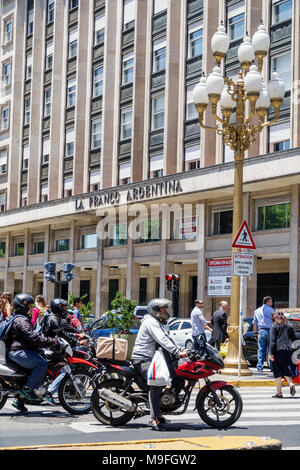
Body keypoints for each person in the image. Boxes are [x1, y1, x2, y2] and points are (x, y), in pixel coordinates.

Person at [131, 298, 188, 431]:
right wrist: (177, 352)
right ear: (155, 311)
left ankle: (159, 411)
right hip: (142, 359)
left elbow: (167, 338)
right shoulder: (150, 322)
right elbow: (162, 340)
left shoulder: (157, 322)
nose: (166, 312)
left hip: (151, 358)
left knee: (175, 375)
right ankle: (152, 418)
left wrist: (180, 350)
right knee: (157, 382)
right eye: (163, 309)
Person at [6, 294, 58, 412]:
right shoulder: (22, 320)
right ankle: (28, 389)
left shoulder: (18, 318)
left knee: (30, 371)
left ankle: (19, 401)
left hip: (18, 350)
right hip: (18, 351)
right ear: (22, 306)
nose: (31, 309)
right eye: (29, 306)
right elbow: (33, 337)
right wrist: (51, 341)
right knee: (42, 364)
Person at [40, 298, 87, 404]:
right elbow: (61, 334)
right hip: (50, 349)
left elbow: (63, 331)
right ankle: (50, 392)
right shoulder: (53, 319)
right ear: (58, 308)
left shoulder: (50, 316)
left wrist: (76, 335)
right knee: (65, 371)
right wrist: (78, 342)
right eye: (64, 307)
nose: (65, 310)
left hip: (48, 347)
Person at [269, 310, 297, 398]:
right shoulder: (289, 325)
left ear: (275, 317)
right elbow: (294, 338)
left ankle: (279, 392)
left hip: (278, 350)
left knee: (276, 371)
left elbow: (273, 341)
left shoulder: (274, 326)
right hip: (288, 350)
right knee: (285, 368)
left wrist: (271, 353)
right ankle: (291, 384)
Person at [253, 296, 274, 372]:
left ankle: (260, 367)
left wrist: (255, 333)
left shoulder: (257, 311)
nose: (272, 303)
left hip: (261, 331)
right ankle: (272, 367)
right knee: (271, 350)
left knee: (261, 349)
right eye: (271, 302)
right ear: (267, 302)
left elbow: (255, 323)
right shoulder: (272, 310)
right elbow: (274, 322)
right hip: (270, 331)